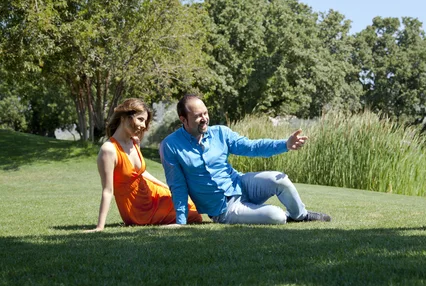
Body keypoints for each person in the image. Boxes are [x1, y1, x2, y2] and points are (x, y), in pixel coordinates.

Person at [160, 94, 331, 225]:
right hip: (224, 209)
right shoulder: (170, 145)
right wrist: (180, 222)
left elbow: (251, 147)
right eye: (198, 116)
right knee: (276, 216)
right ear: (183, 119)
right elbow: (178, 186)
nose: (205, 118)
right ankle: (285, 217)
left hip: (240, 184)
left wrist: (285, 144)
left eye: (205, 113)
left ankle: (301, 215)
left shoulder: (220, 132)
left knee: (281, 180)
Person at [88, 98, 202, 232]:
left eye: (145, 121)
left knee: (190, 205)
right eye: (140, 119)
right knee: (193, 215)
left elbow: (141, 173)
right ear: (124, 117)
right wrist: (100, 227)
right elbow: (108, 190)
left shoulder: (134, 142)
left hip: (151, 193)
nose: (143, 126)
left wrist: (166, 188)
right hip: (138, 211)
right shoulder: (109, 150)